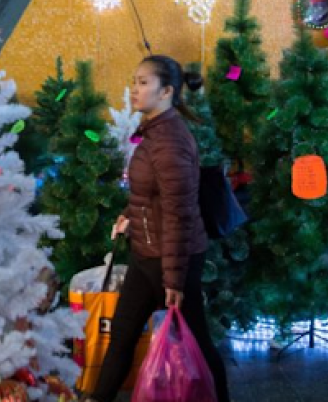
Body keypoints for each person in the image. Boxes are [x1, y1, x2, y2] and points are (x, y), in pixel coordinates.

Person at [83, 55, 230, 402]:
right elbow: (151, 194)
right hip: (148, 252)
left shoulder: (169, 141)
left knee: (198, 340)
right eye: (134, 81)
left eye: (143, 82)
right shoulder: (156, 132)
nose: (135, 89)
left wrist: (174, 279)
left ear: (166, 91)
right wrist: (129, 214)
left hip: (170, 256)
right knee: (122, 335)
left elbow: (180, 213)